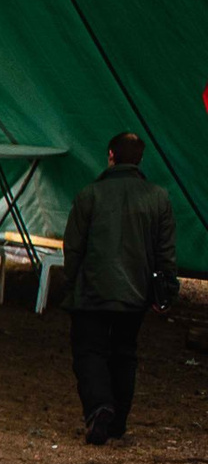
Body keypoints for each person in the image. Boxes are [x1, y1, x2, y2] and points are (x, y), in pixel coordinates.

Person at [58, 131, 177, 446]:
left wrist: (72, 283)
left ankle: (99, 407)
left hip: (92, 291)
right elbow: (165, 251)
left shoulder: (89, 195)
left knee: (89, 351)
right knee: (124, 353)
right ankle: (117, 422)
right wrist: (164, 290)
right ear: (140, 159)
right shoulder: (158, 197)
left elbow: (73, 247)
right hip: (135, 292)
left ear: (110, 155)